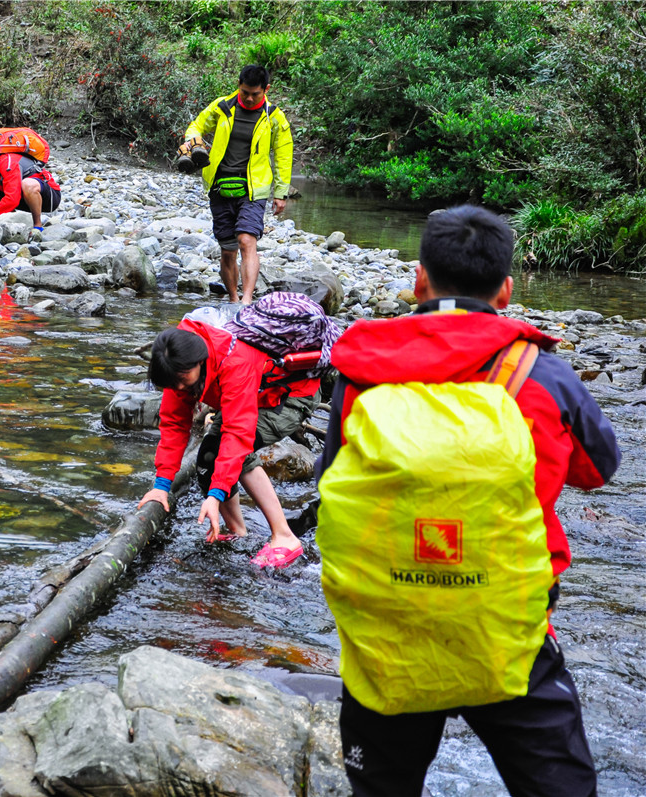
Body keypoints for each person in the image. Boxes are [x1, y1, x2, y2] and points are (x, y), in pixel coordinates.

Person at [316, 206, 620, 796]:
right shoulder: (542, 371)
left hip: (389, 634)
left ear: (418, 280)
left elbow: (333, 480)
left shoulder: (361, 371)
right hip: (508, 632)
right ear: (506, 291)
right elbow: (598, 469)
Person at [136, 308, 320, 566]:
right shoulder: (177, 363)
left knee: (228, 451)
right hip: (252, 394)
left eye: (182, 380)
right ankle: (238, 532)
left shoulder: (234, 361)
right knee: (208, 458)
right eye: (171, 383)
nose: (178, 388)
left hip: (290, 396)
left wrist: (216, 495)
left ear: (199, 361)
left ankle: (285, 537)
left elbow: (237, 436)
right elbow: (175, 424)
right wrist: (161, 486)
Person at [181, 64, 293, 304]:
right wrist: (193, 142)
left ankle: (247, 300)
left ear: (266, 89)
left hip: (254, 187)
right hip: (220, 184)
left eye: (256, 94)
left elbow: (284, 154)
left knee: (246, 240)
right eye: (245, 92)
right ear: (238, 86)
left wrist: (281, 193)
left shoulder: (274, 117)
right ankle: (233, 299)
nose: (250, 98)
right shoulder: (222, 106)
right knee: (228, 248)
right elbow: (196, 126)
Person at [0, 152, 61, 230]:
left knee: (27, 184)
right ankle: (12, 220)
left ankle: (37, 225)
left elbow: (12, 199)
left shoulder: (7, 164)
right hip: (25, 199)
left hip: (50, 198)